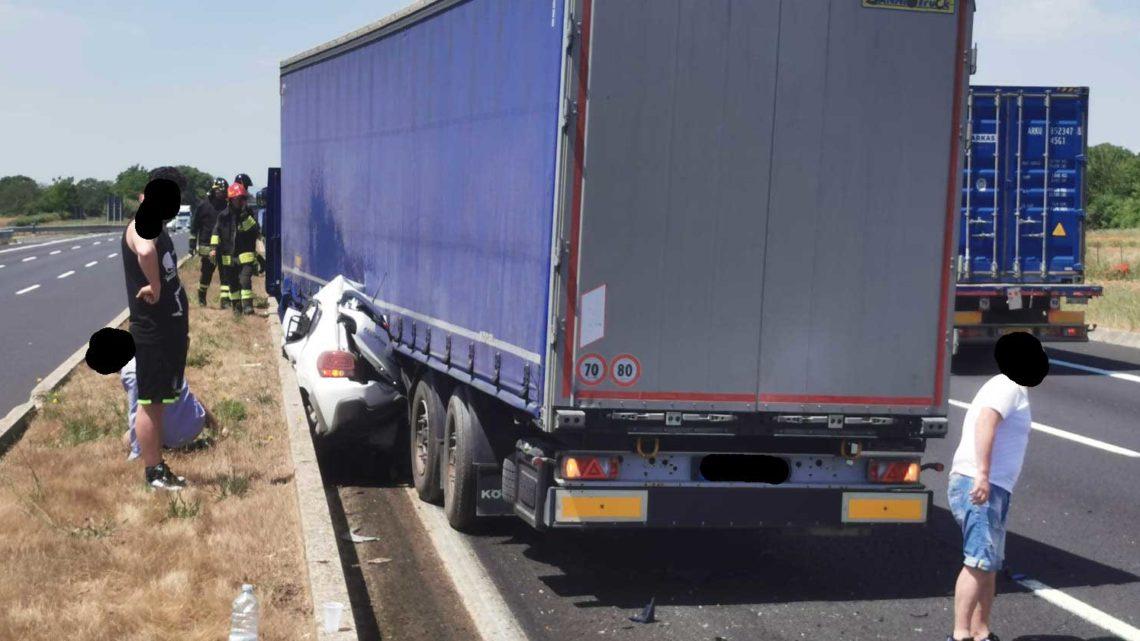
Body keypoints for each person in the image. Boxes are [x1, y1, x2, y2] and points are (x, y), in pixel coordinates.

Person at [946, 332, 1049, 641]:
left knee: (988, 564)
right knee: (978, 561)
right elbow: (985, 422)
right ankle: (960, 634)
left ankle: (981, 631)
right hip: (979, 484)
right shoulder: (1007, 387)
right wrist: (982, 474)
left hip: (992, 487)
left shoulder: (1012, 388)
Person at [121, 166, 191, 491]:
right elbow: (146, 251)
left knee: (159, 402)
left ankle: (156, 462)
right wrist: (155, 287)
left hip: (168, 331)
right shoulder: (142, 224)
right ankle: (153, 471)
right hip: (153, 332)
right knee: (151, 402)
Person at [120, 358, 207, 460]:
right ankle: (217, 429)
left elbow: (136, 414)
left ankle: (171, 446)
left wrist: (136, 452)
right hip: (195, 422)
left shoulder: (130, 372)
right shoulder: (161, 352)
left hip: (173, 435)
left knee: (127, 439)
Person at [211, 181, 261, 316]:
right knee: (233, 284)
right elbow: (216, 232)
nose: (241, 202)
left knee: (245, 281)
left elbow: (256, 231)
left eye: (243, 199)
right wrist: (214, 248)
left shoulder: (248, 213)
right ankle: (237, 308)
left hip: (246, 255)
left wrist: (244, 217)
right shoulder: (223, 215)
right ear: (231, 200)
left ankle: (248, 307)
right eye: (239, 199)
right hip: (228, 256)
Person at [189, 177, 228, 307]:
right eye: (218, 191)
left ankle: (225, 301)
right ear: (213, 190)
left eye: (223, 192)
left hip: (224, 246)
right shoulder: (203, 205)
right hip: (206, 246)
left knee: (225, 274)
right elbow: (194, 226)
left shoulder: (227, 206)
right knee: (206, 274)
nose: (220, 194)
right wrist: (192, 245)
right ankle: (201, 297)